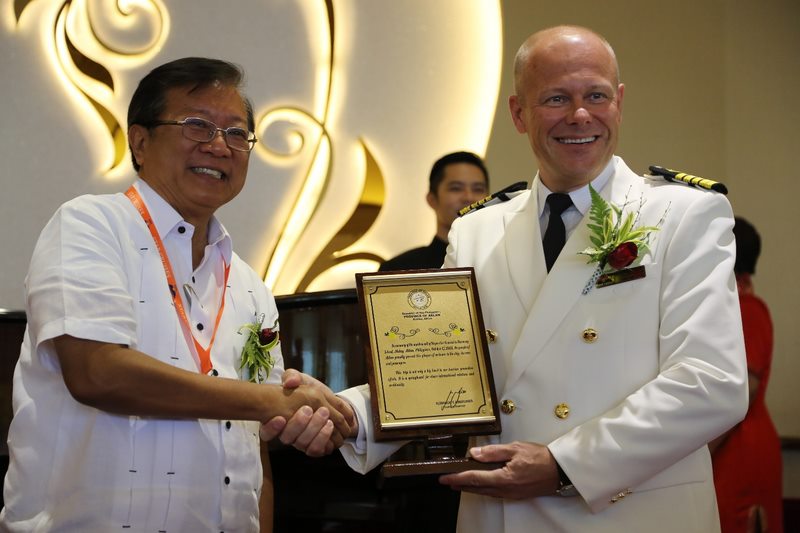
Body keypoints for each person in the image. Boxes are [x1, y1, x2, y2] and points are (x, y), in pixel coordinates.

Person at [267, 25, 749, 532]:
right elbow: (446, 370)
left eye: (596, 95)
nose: (579, 115)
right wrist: (346, 415)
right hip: (500, 514)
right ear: (519, 113)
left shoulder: (685, 213)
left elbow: (710, 382)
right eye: (556, 98)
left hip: (626, 511)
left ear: (619, 102)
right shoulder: (476, 229)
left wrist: (564, 465)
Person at [0, 57, 352, 532]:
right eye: (197, 126)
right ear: (139, 142)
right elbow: (97, 374)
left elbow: (254, 456)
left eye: (236, 133)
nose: (220, 146)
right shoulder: (89, 226)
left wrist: (297, 414)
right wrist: (267, 401)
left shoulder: (250, 286)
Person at [711, 217, 783, 533]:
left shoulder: (749, 309)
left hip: (738, 446)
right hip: (726, 441)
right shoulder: (733, 305)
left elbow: (743, 392)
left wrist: (701, 450)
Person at [379, 151, 489, 271]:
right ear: (432, 199)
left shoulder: (503, 262)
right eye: (456, 188)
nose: (469, 197)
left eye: (478, 189)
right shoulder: (398, 270)